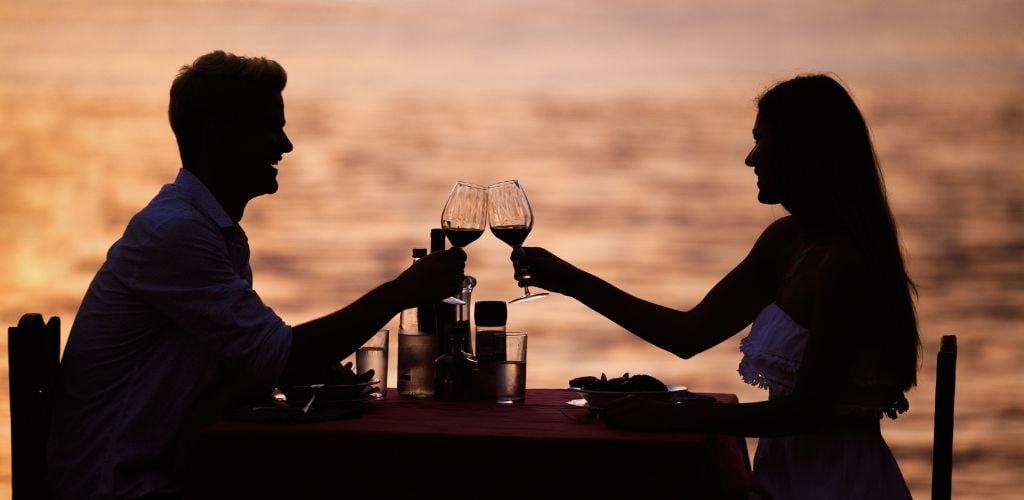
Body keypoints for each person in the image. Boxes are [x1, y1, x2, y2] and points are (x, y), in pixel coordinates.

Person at [46, 51, 467, 500]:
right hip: (119, 486)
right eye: (268, 127)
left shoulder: (210, 230)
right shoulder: (176, 234)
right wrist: (400, 293)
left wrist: (294, 372)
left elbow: (253, 361)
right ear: (216, 136)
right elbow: (279, 354)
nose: (284, 145)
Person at [514, 74, 919, 499]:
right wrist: (571, 281)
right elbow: (689, 334)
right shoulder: (787, 242)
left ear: (804, 152)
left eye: (763, 141)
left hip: (840, 487)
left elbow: (805, 412)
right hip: (781, 484)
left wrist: (674, 417)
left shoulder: (845, 266)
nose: (751, 159)